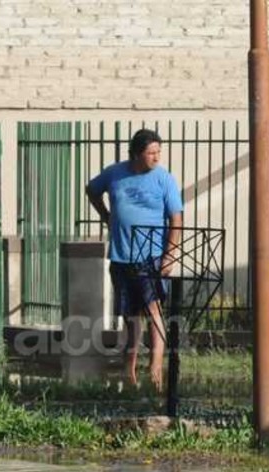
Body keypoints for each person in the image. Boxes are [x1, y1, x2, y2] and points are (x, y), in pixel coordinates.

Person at [85, 128, 184, 388]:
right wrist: (106, 216)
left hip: (150, 256)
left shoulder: (164, 179)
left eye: (158, 152)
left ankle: (155, 367)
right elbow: (92, 190)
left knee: (153, 309)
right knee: (129, 314)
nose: (156, 157)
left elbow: (176, 219)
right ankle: (128, 371)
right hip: (121, 254)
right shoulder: (115, 173)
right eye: (151, 153)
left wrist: (169, 255)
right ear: (136, 154)